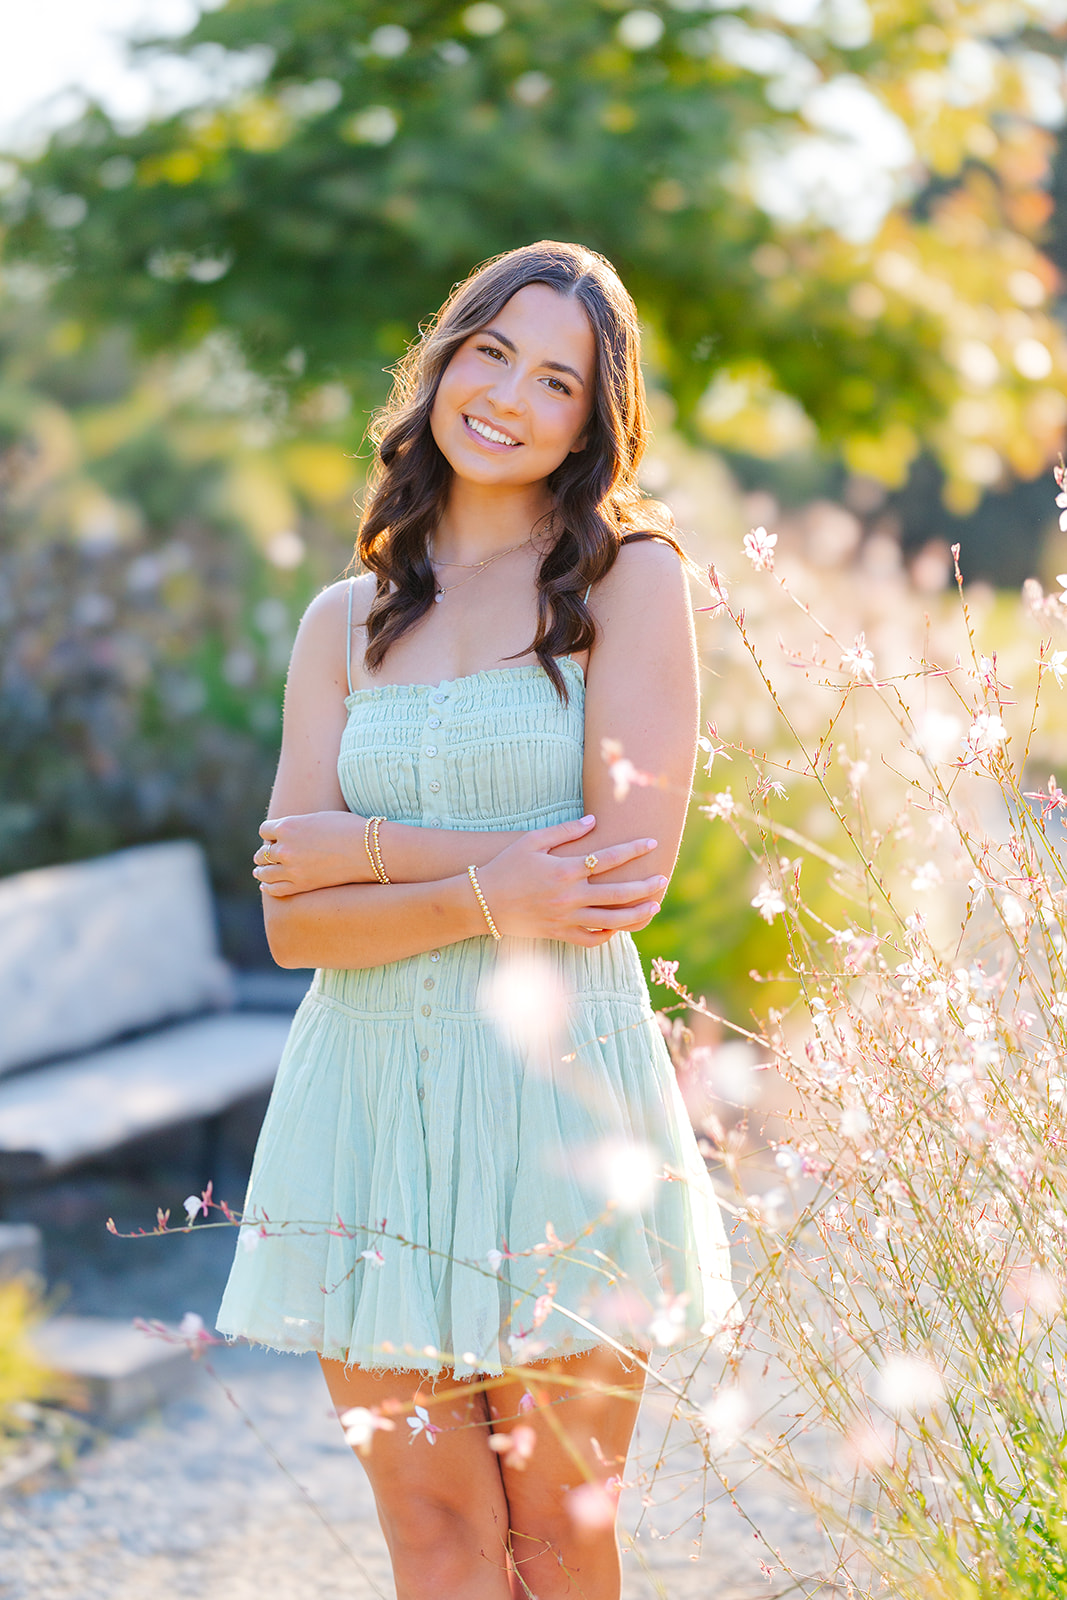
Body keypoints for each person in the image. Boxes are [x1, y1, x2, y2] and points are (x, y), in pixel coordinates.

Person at [217, 240, 736, 1600]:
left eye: (556, 377)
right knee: (436, 1542)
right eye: (491, 350)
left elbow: (619, 876)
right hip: (369, 1099)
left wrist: (366, 854)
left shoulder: (632, 583)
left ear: (592, 419)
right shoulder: (344, 621)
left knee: (557, 1534)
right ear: (443, 363)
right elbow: (294, 927)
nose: (509, 393)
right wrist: (481, 891)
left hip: (560, 1098)